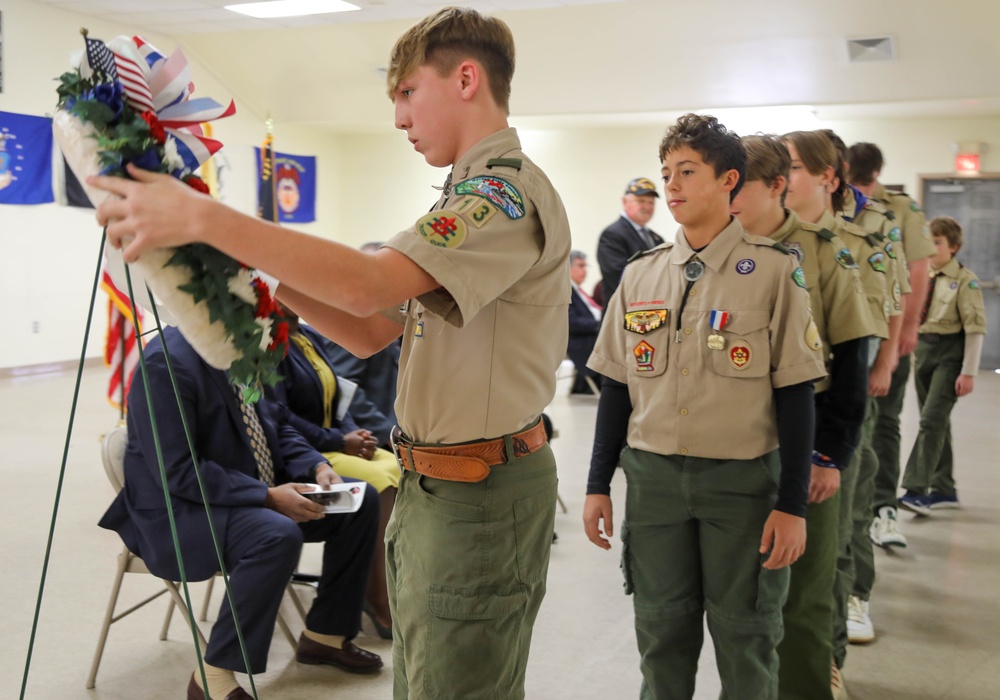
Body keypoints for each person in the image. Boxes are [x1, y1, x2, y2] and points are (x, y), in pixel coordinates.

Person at [91, 8, 571, 699]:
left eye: (408, 93)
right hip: (444, 484)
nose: (400, 118)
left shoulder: (497, 195)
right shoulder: (466, 195)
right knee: (432, 677)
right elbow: (372, 327)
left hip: (478, 492)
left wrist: (205, 216)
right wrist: (256, 280)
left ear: (466, 78)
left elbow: (367, 282)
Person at [583, 114, 826, 699]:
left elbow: (795, 394)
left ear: (729, 180)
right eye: (667, 173)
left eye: (687, 172)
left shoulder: (772, 271)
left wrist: (792, 503)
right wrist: (597, 484)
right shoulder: (639, 277)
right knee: (661, 634)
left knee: (747, 638)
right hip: (654, 483)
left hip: (742, 486)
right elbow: (617, 388)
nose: (671, 186)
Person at [99, 327, 382, 700]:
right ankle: (212, 679)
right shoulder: (165, 365)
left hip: (239, 492)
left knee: (360, 501)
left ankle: (325, 635)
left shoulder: (233, 346)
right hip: (180, 511)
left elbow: (273, 424)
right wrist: (266, 496)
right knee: (276, 534)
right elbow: (178, 471)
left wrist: (315, 466)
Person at [731, 133, 874, 700]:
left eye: (740, 183)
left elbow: (854, 355)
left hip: (807, 440)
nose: (731, 194)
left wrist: (830, 455)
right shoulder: (713, 248)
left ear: (777, 187)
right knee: (740, 595)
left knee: (806, 597)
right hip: (734, 443)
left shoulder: (819, 249)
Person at [781, 130, 900, 663]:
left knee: (837, 537)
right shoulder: (763, 242)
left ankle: (828, 662)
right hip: (775, 420)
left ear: (830, 178)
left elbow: (867, 336)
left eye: (795, 169)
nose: (782, 180)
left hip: (834, 411)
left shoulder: (858, 248)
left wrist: (887, 363)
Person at [268, 303, 399, 640]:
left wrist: (358, 434)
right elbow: (279, 416)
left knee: (397, 466)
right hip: (303, 452)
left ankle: (394, 581)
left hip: (334, 441)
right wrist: (339, 440)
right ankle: (376, 595)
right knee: (381, 482)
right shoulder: (268, 340)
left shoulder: (309, 334)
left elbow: (339, 394)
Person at [847, 142, 936, 550]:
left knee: (884, 421)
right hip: (851, 332)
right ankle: (854, 511)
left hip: (889, 329)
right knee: (851, 425)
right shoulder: (837, 201)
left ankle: (883, 510)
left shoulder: (900, 209)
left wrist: (908, 330)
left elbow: (917, 270)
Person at [898, 216, 987, 512]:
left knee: (930, 421)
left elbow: (975, 329)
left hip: (949, 354)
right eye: (929, 241)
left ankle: (916, 490)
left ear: (954, 247)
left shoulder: (964, 280)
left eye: (937, 242)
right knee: (935, 422)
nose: (931, 247)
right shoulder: (921, 277)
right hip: (923, 352)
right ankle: (944, 488)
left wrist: (969, 373)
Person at [596, 177, 664, 303]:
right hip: (623, 313)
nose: (647, 207)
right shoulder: (612, 235)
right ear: (624, 201)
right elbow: (619, 277)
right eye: (641, 201)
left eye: (651, 202)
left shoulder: (657, 238)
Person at [567, 250, 603, 394]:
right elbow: (572, 322)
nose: (584, 270)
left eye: (586, 266)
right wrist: (601, 325)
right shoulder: (566, 290)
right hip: (579, 340)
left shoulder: (578, 290)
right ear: (567, 268)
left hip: (590, 334)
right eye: (580, 266)